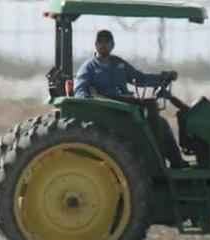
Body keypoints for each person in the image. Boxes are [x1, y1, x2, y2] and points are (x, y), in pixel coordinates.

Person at [73, 30, 188, 168]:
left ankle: (175, 161)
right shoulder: (88, 68)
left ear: (112, 45)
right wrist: (94, 99)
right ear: (96, 45)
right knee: (151, 106)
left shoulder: (118, 64)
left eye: (107, 42)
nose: (103, 45)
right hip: (108, 108)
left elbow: (140, 79)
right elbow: (79, 92)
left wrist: (163, 77)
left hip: (126, 105)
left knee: (161, 122)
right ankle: (157, 165)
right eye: (100, 42)